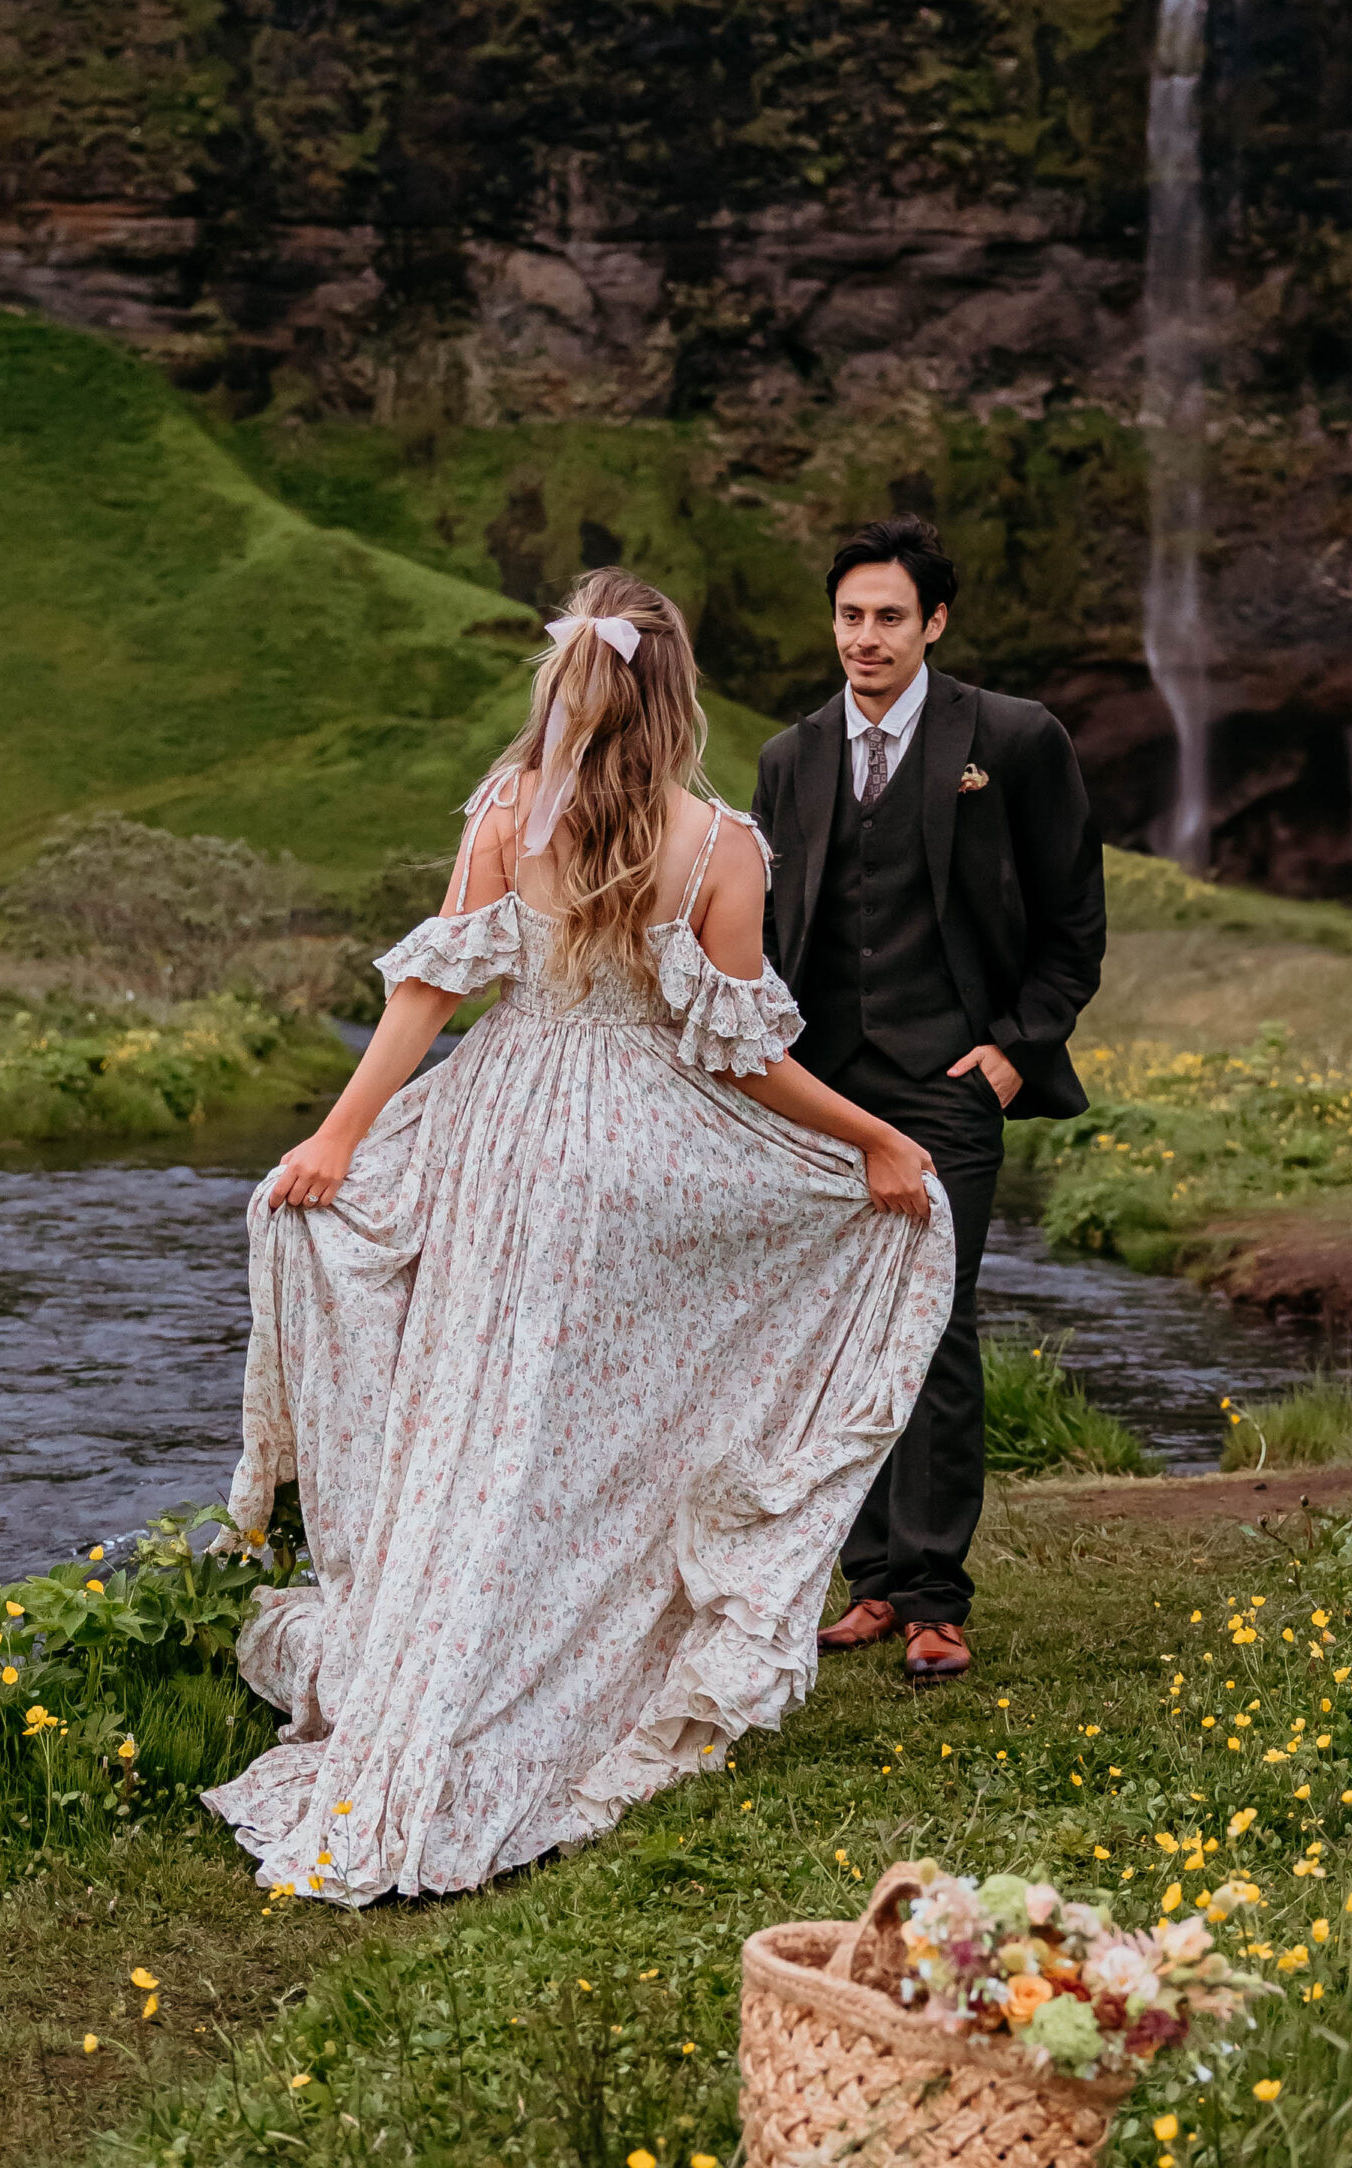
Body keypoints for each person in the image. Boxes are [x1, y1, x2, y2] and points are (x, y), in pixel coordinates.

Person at [202, 569, 954, 1905]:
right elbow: (740, 1062)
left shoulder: (504, 812)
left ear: (568, 683)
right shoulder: (723, 846)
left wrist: (335, 1139)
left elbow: (431, 992)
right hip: (631, 1157)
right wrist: (874, 1141)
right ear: (680, 697)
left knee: (475, 1429)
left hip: (497, 1140)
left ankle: (434, 1692)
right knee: (589, 1440)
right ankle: (556, 1685)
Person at [751, 516, 1107, 1684]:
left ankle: (936, 1599)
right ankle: (866, 1582)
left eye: (889, 616)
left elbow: (1072, 922)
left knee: (934, 1328)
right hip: (817, 1090)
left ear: (933, 622)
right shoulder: (789, 757)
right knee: (829, 1332)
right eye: (849, 615)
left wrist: (1014, 1049)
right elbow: (763, 935)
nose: (865, 637)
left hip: (951, 1084)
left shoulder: (1010, 738)